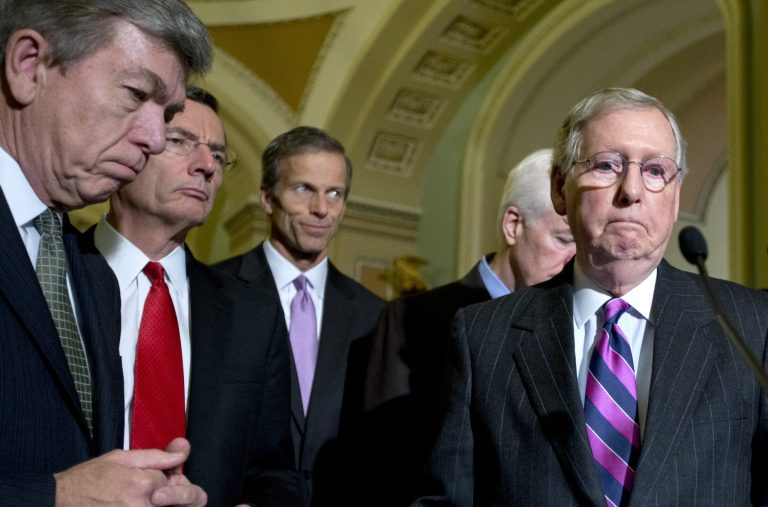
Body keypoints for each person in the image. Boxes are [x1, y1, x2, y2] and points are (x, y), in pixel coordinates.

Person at [413, 88, 768, 506]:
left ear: (675, 198)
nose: (631, 191)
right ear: (561, 189)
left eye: (655, 171)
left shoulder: (751, 326)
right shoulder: (482, 336)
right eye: (607, 165)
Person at [0, 1, 212, 505]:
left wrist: (145, 490)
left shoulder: (92, 272)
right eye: (136, 94)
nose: (156, 139)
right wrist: (56, 495)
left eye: (167, 114)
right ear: (30, 66)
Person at [93, 87, 304, 507]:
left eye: (219, 156)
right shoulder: (51, 275)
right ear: (128, 147)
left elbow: (275, 473)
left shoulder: (253, 315)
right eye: (180, 142)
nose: (207, 166)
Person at [356, 149, 575, 506]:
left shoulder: (576, 324)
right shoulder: (414, 319)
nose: (573, 260)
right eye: (564, 240)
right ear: (513, 225)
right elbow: (379, 464)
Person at [215, 126, 385, 503]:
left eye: (334, 193)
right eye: (304, 189)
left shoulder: (375, 315)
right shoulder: (214, 293)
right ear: (267, 198)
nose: (321, 209)